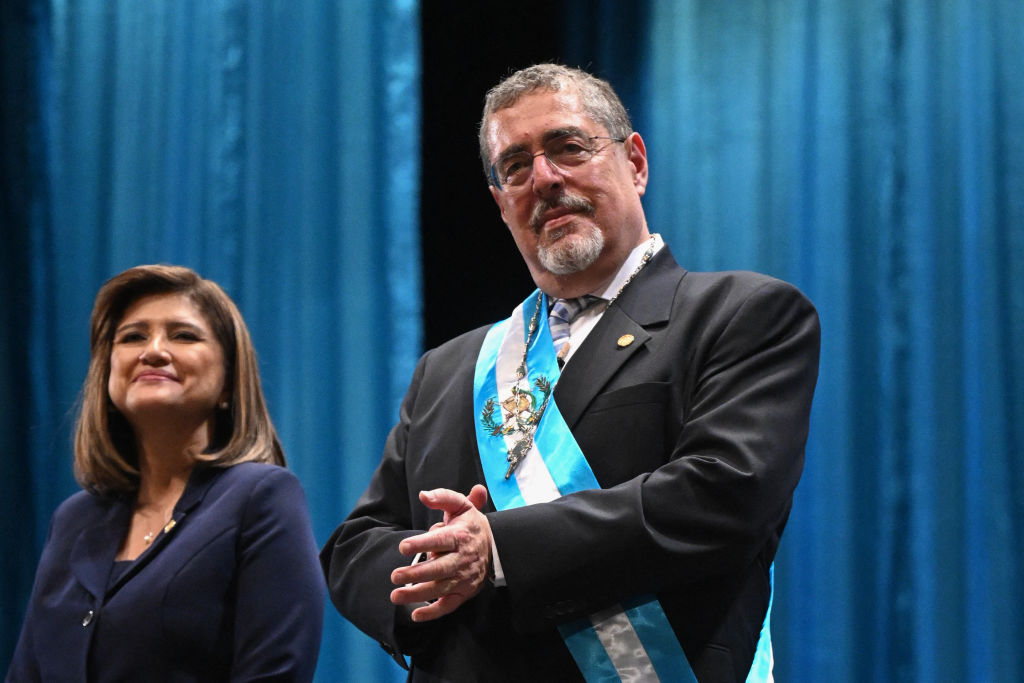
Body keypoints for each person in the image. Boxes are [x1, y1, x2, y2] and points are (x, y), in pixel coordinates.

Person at [321, 64, 820, 682]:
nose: (546, 179)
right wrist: (432, 570)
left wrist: (497, 550)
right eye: (515, 167)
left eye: (568, 148)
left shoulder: (741, 314)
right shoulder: (448, 369)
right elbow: (353, 545)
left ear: (635, 162)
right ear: (501, 204)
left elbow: (724, 495)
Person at [7, 265, 324, 682]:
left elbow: (274, 672)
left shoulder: (261, 497)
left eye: (183, 335)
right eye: (132, 337)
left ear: (229, 383)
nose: (153, 350)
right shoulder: (72, 519)